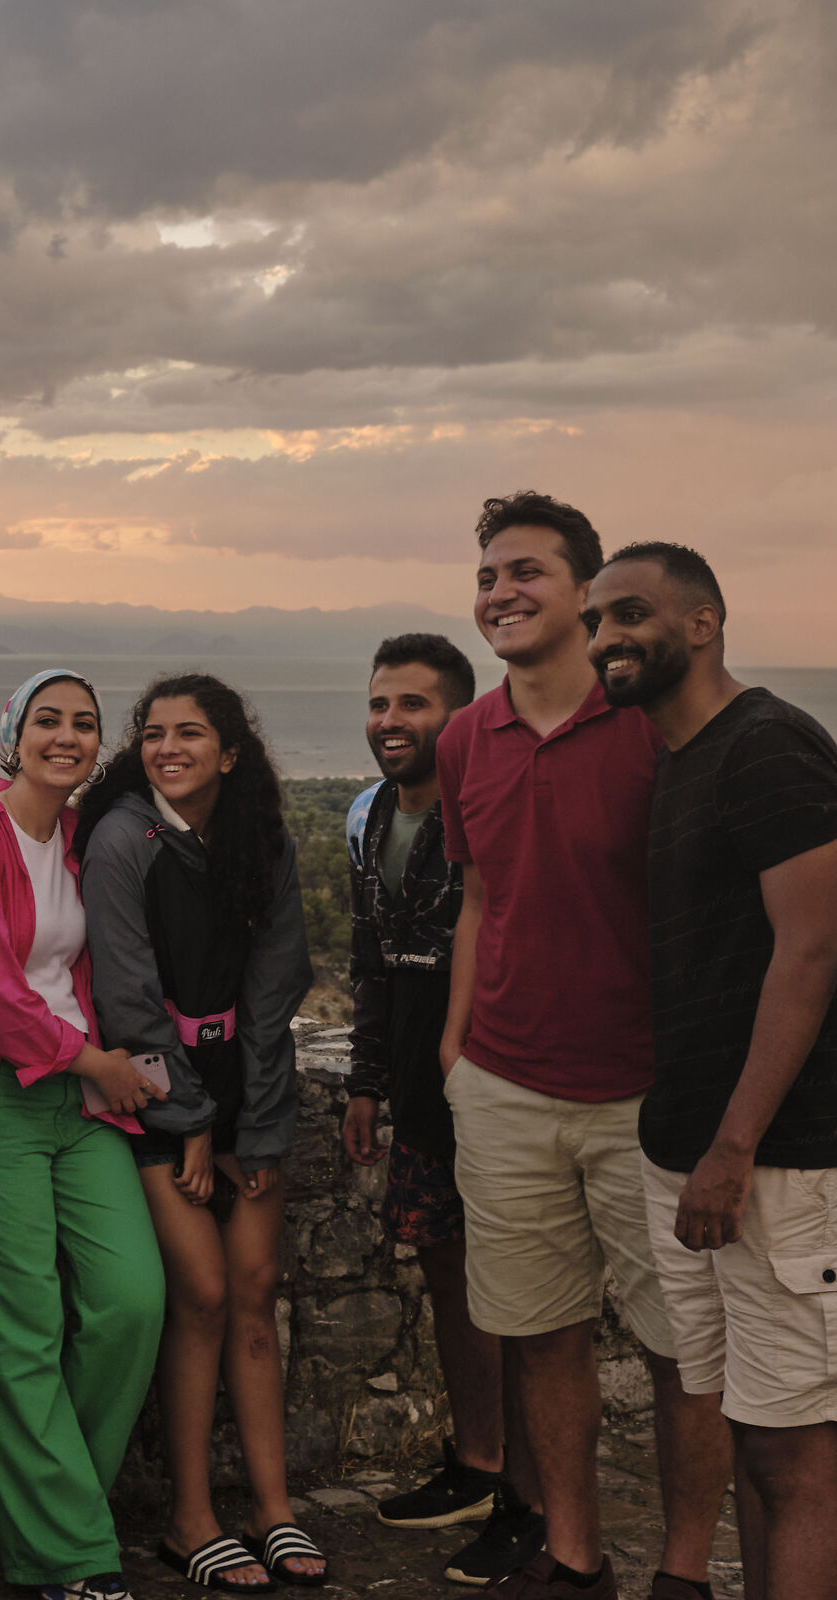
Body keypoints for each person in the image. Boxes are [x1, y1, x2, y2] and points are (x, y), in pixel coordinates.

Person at [433, 493, 732, 1600]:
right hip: (506, 1086)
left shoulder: (655, 723)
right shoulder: (465, 737)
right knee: (541, 1335)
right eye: (487, 577)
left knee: (683, 1345)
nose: (501, 594)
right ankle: (575, 1557)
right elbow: (478, 895)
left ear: (587, 595)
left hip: (647, 1093)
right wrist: (458, 1051)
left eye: (527, 573)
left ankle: (685, 1571)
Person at [587, 541, 837, 1600]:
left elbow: (813, 949)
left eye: (629, 614)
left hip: (775, 1158)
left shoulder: (766, 747)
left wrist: (733, 1150)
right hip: (688, 1147)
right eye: (596, 621)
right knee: (749, 1430)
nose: (605, 638)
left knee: (798, 1455)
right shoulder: (680, 760)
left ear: (702, 623)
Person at [0, 668, 168, 1600]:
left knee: (132, 1301)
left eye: (84, 724)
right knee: (20, 1331)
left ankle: (61, 1508)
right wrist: (95, 1061)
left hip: (80, 1102)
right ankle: (70, 1559)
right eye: (47, 720)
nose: (66, 736)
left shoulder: (78, 835)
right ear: (12, 736)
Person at [74, 674, 320, 1592]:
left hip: (242, 1088)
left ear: (231, 752)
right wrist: (189, 1121)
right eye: (152, 733)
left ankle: (274, 1509)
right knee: (204, 1292)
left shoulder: (261, 839)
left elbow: (274, 991)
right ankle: (189, 1519)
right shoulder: (122, 839)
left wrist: (252, 1124)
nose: (167, 748)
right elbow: (127, 999)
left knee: (254, 1287)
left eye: (189, 733)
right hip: (150, 1092)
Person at [340, 633, 542, 1585]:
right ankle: (479, 1463)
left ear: (460, 718)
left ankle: (534, 1506)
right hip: (421, 1096)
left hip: (498, 1082)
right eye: (380, 703)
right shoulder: (368, 815)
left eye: (413, 705)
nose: (391, 722)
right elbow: (371, 960)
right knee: (453, 1282)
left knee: (529, 1302)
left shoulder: (492, 806)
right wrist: (365, 1081)